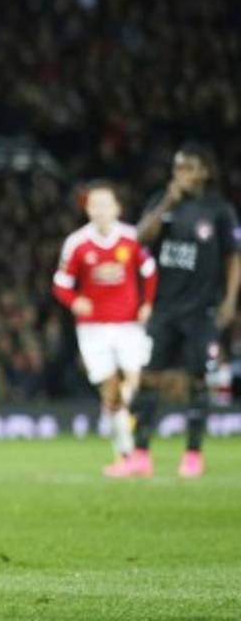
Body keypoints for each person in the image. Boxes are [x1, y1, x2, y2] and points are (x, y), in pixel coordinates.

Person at [122, 144, 240, 478]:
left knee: (197, 381)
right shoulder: (164, 201)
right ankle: (141, 452)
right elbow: (140, 239)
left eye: (188, 167)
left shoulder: (219, 210)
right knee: (148, 378)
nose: (181, 174)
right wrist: (167, 204)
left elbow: (233, 258)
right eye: (177, 168)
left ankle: (192, 454)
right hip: (163, 309)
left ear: (204, 171)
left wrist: (231, 300)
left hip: (201, 310)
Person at [52, 181, 157, 476]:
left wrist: (147, 303)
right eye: (94, 205)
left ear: (117, 209)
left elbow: (149, 271)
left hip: (128, 325)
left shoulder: (132, 238)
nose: (100, 210)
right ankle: (125, 456)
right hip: (93, 329)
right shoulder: (77, 243)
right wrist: (74, 302)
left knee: (135, 381)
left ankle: (119, 418)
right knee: (110, 392)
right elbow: (61, 283)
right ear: (87, 210)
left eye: (106, 205)